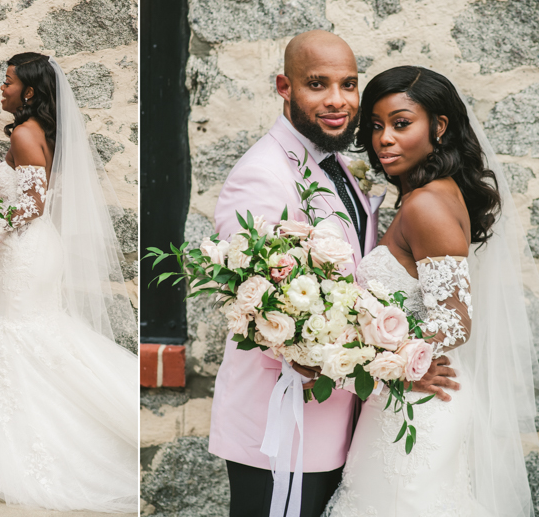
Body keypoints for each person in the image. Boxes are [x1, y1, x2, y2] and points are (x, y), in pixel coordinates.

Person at [209, 31, 456, 517]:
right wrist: (400, 366)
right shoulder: (262, 174)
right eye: (318, 85)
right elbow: (266, 314)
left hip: (336, 422)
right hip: (282, 426)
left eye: (348, 84)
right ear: (284, 86)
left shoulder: (338, 162)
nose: (338, 101)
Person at [0, 52, 138, 513]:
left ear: (29, 91)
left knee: (13, 335)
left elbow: (32, 206)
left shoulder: (24, 134)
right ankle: (22, 442)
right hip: (34, 248)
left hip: (25, 248)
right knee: (26, 336)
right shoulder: (41, 132)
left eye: (6, 83)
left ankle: (32, 450)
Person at [324, 66, 538, 516]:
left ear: (438, 128)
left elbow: (454, 321)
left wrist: (388, 363)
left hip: (420, 403)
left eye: (401, 124)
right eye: (377, 126)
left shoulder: (425, 205)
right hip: (409, 398)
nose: (384, 139)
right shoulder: (437, 194)